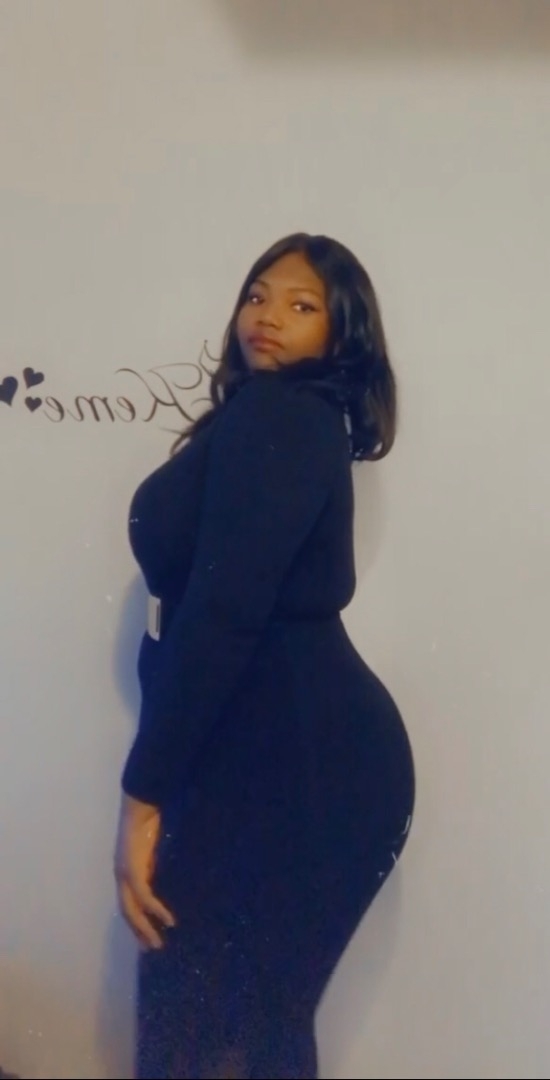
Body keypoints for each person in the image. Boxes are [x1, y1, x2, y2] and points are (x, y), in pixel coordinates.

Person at [114, 233, 415, 1079]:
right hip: (288, 760)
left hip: (306, 770)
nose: (268, 315)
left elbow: (222, 613)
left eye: (301, 304)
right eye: (257, 294)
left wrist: (142, 797)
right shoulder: (278, 421)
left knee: (206, 1031)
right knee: (243, 1029)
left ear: (341, 332)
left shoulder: (280, 416)